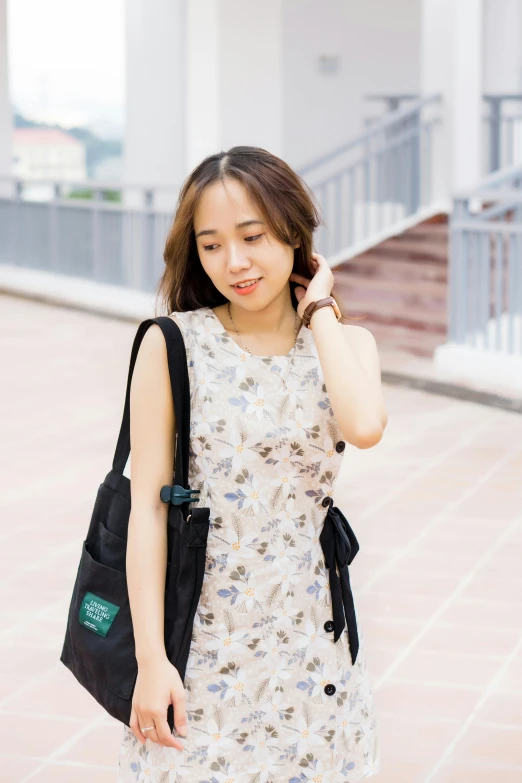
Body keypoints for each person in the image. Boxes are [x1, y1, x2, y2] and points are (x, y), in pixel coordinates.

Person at [116, 146, 387, 783]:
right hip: (205, 643)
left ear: (295, 234)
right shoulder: (171, 343)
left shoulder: (347, 345)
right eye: (211, 246)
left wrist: (319, 310)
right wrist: (151, 661)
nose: (233, 263)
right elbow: (148, 512)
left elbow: (365, 427)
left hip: (312, 643)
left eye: (254, 237)